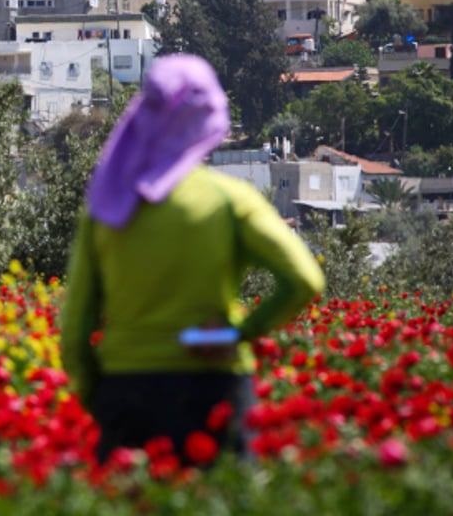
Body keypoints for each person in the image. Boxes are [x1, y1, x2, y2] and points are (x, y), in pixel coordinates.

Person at [59, 54, 325, 466]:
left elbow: (76, 331)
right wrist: (238, 334)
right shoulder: (228, 199)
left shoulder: (110, 205)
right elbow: (305, 280)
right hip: (215, 386)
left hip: (126, 387)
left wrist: (102, 396)